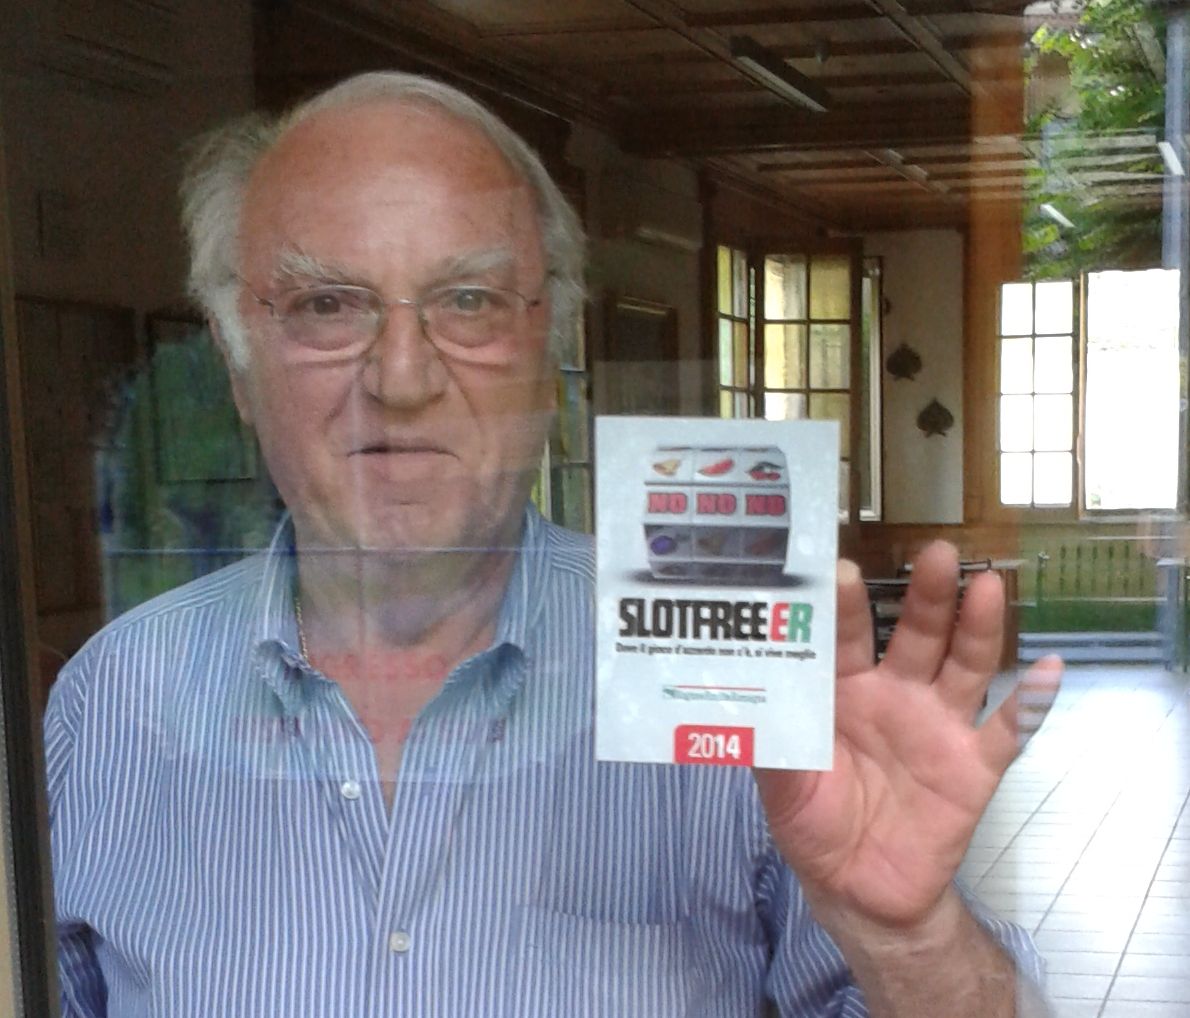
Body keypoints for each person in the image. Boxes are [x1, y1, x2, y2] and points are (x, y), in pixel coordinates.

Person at [45, 72, 1061, 1017]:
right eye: (326, 305)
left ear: (550, 359)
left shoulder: (721, 684)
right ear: (238, 366)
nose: (401, 377)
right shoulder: (112, 704)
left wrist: (911, 942)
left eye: (469, 301)